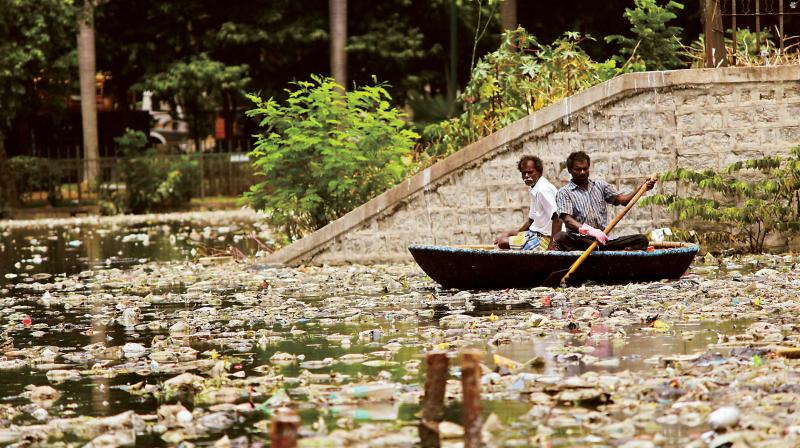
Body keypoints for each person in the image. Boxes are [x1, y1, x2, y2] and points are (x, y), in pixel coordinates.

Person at [553, 151, 656, 251]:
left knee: (641, 240)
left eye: (585, 169)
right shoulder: (564, 192)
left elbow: (623, 201)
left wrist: (642, 188)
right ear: (570, 171)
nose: (582, 172)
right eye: (578, 170)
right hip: (581, 241)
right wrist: (591, 231)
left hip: (602, 241)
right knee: (560, 237)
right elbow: (568, 220)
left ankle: (612, 252)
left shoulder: (600, 186)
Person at [494, 155, 562, 251]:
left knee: (502, 243)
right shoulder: (534, 187)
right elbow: (531, 221)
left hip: (544, 238)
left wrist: (552, 245)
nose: (526, 176)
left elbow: (558, 218)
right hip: (534, 233)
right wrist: (516, 235)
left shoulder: (542, 190)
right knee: (507, 235)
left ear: (539, 172)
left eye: (530, 172)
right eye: (523, 173)